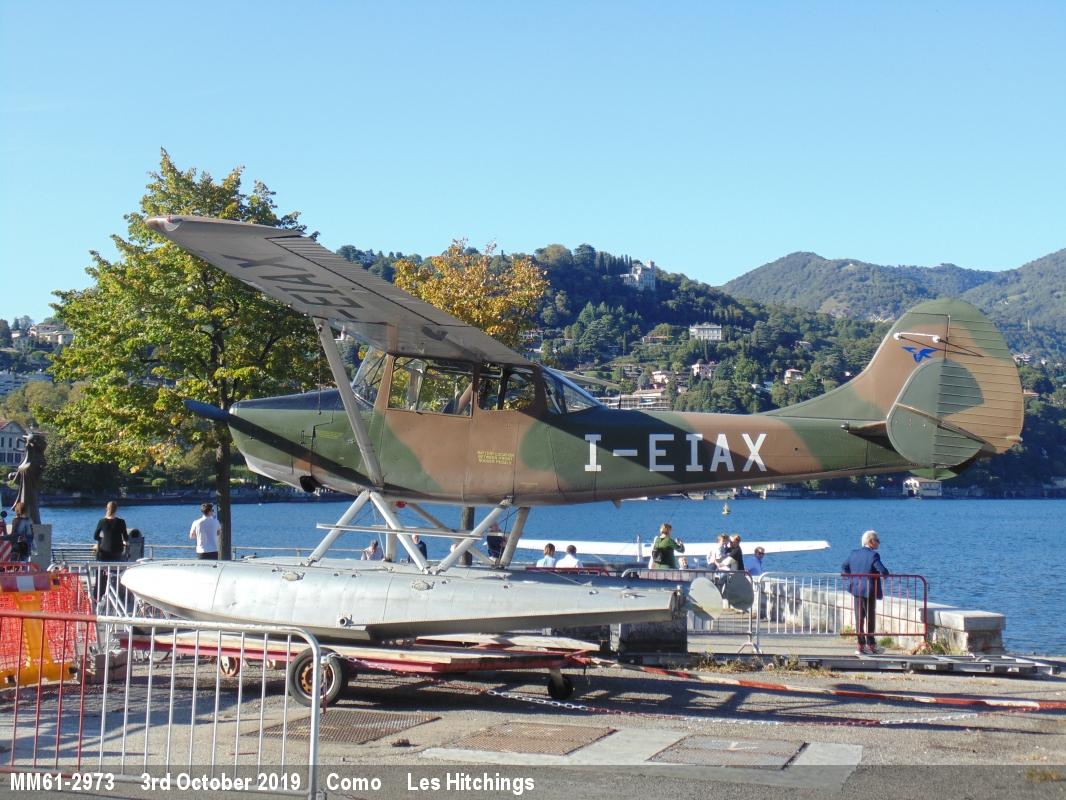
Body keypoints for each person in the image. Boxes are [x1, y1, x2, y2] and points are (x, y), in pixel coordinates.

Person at [842, 529, 890, 656]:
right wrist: (884, 574)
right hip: (869, 590)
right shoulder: (873, 555)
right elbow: (883, 570)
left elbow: (844, 566)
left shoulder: (853, 554)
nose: (879, 543)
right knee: (870, 618)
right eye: (877, 540)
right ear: (871, 541)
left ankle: (860, 645)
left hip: (856, 589)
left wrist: (853, 577)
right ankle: (871, 645)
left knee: (859, 618)